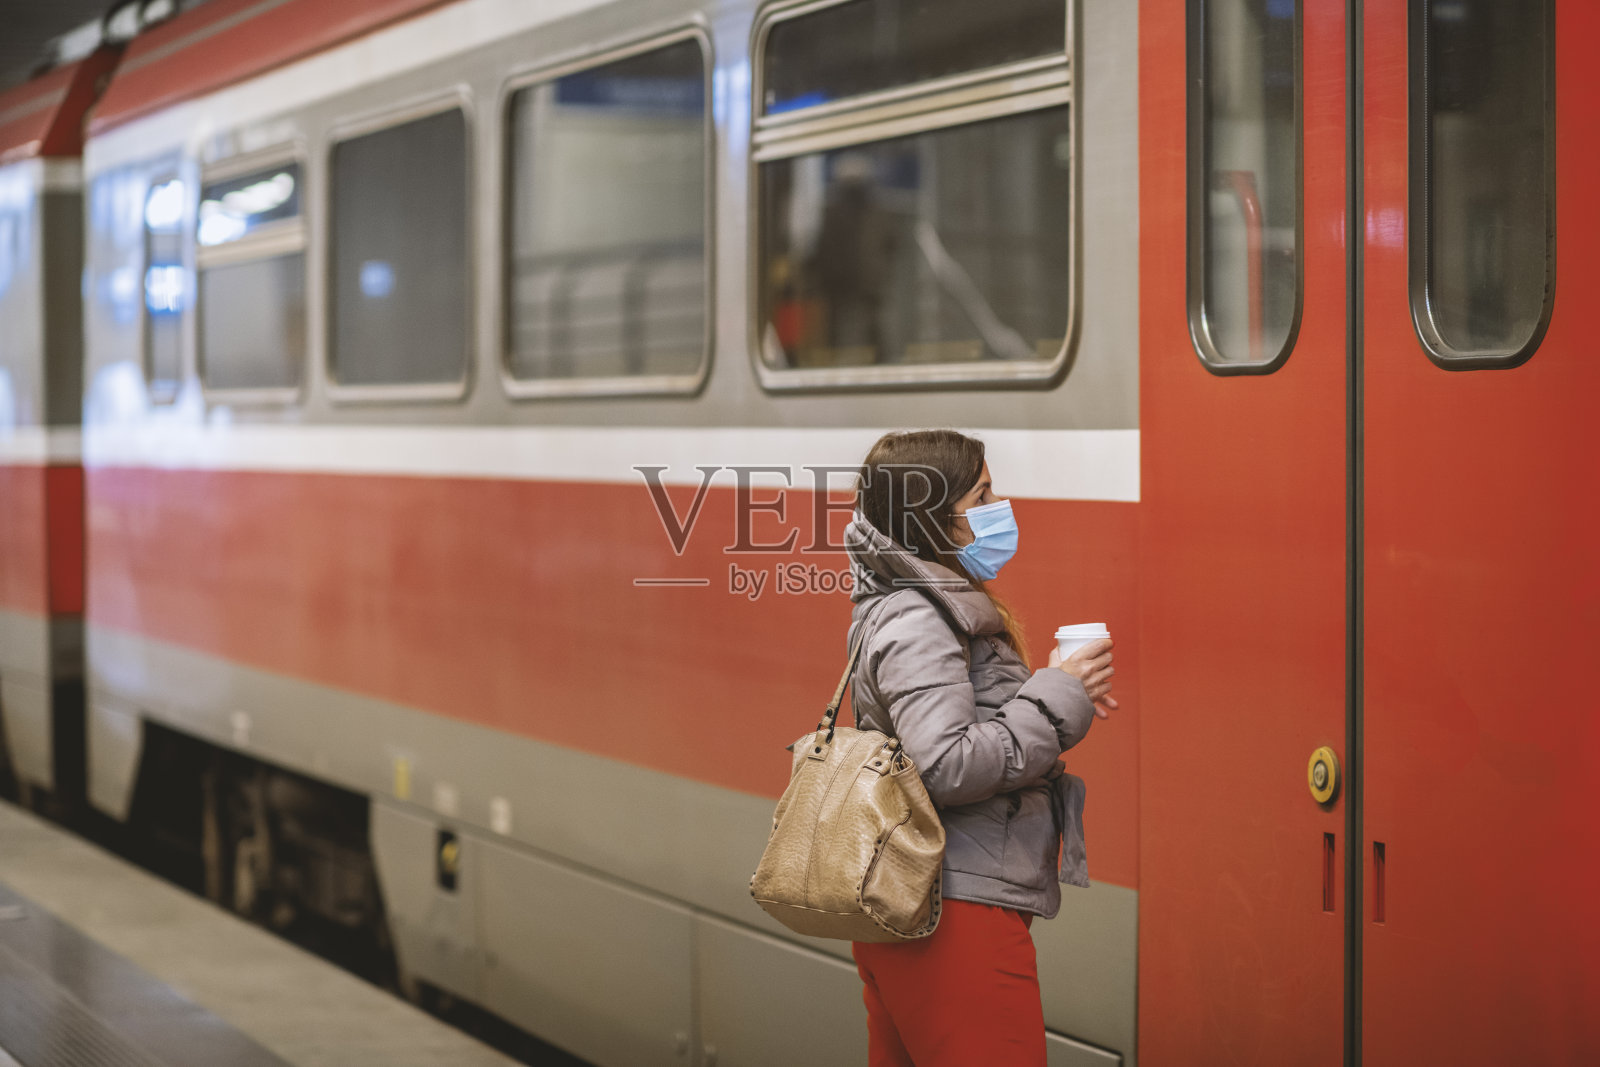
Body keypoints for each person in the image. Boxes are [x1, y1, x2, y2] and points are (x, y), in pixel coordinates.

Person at [844, 429, 1116, 1067]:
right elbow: (945, 764)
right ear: (932, 517)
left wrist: (1062, 688)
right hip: (953, 916)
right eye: (982, 496)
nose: (999, 509)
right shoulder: (918, 617)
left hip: (930, 903)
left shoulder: (919, 603)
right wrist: (1056, 693)